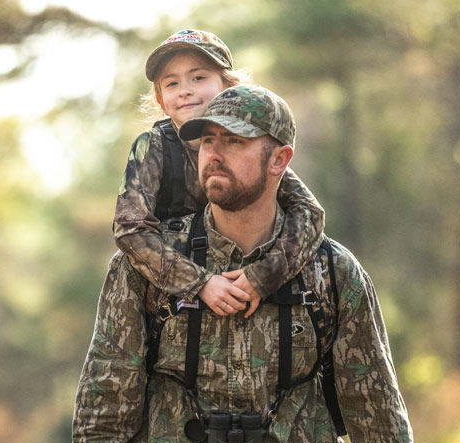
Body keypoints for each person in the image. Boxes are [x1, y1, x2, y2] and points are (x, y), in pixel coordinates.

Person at [69, 84, 424, 443]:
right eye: (206, 140)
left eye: (233, 142)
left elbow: (378, 417)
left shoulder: (331, 272)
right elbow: (103, 407)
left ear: (280, 159)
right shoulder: (147, 270)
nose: (213, 152)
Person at [113, 29, 325, 317]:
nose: (185, 90)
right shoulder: (154, 147)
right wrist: (199, 283)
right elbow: (130, 229)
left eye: (198, 78)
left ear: (228, 87)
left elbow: (309, 213)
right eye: (171, 83)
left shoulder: (252, 147)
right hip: (177, 290)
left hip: (243, 271)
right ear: (161, 100)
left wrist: (262, 277)